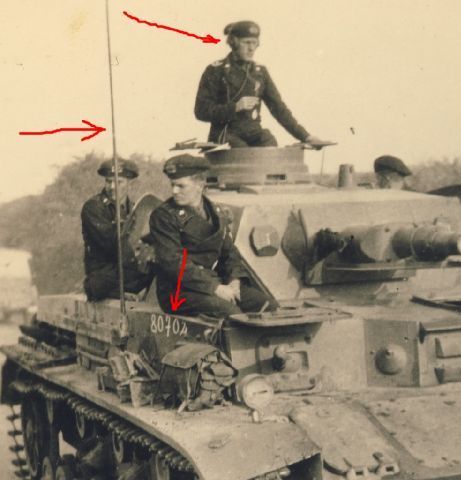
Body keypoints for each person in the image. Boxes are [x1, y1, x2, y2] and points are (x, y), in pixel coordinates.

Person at [149, 154, 278, 317]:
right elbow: (174, 263)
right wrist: (215, 288)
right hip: (178, 292)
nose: (174, 191)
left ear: (200, 184)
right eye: (173, 185)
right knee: (231, 313)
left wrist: (234, 281)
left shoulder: (217, 212)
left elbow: (230, 254)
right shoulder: (164, 216)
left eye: (181, 186)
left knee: (268, 306)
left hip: (214, 285)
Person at [194, 20, 324, 148]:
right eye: (246, 42)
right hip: (226, 133)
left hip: (253, 133)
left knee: (270, 146)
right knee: (244, 155)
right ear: (233, 42)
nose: (251, 48)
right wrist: (234, 108)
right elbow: (201, 111)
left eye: (254, 43)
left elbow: (279, 108)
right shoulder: (216, 70)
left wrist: (306, 136)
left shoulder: (260, 72)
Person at [81, 159, 151, 301]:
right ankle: (123, 294)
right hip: (105, 276)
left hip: (129, 272)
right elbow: (113, 243)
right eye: (108, 181)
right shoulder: (94, 207)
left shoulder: (135, 209)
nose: (112, 187)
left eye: (119, 182)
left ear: (130, 184)